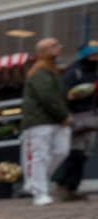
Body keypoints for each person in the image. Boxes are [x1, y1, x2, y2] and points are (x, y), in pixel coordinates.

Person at [23, 37, 73, 207]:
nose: (60, 47)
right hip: (40, 119)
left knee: (61, 151)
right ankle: (40, 194)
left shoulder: (51, 69)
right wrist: (63, 115)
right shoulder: (40, 69)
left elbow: (54, 95)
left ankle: (37, 181)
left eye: (59, 44)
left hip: (54, 119)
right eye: (55, 45)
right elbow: (47, 97)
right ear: (43, 51)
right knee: (41, 155)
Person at [53, 44, 98, 201]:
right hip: (75, 117)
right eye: (93, 56)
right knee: (75, 153)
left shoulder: (95, 73)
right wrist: (69, 99)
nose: (96, 59)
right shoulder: (74, 72)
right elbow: (62, 94)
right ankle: (62, 185)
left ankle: (73, 186)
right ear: (85, 57)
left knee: (85, 154)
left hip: (91, 117)